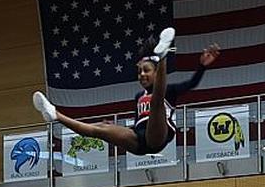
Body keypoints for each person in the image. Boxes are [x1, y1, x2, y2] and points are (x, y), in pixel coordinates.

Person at [33, 29, 221, 156]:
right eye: (139, 71)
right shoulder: (139, 97)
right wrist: (116, 128)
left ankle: (163, 56)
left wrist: (202, 66)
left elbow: (192, 83)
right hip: (138, 140)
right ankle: (54, 114)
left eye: (146, 70)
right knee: (99, 130)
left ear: (156, 72)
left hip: (158, 137)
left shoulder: (169, 91)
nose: (141, 74)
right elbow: (138, 122)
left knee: (157, 101)